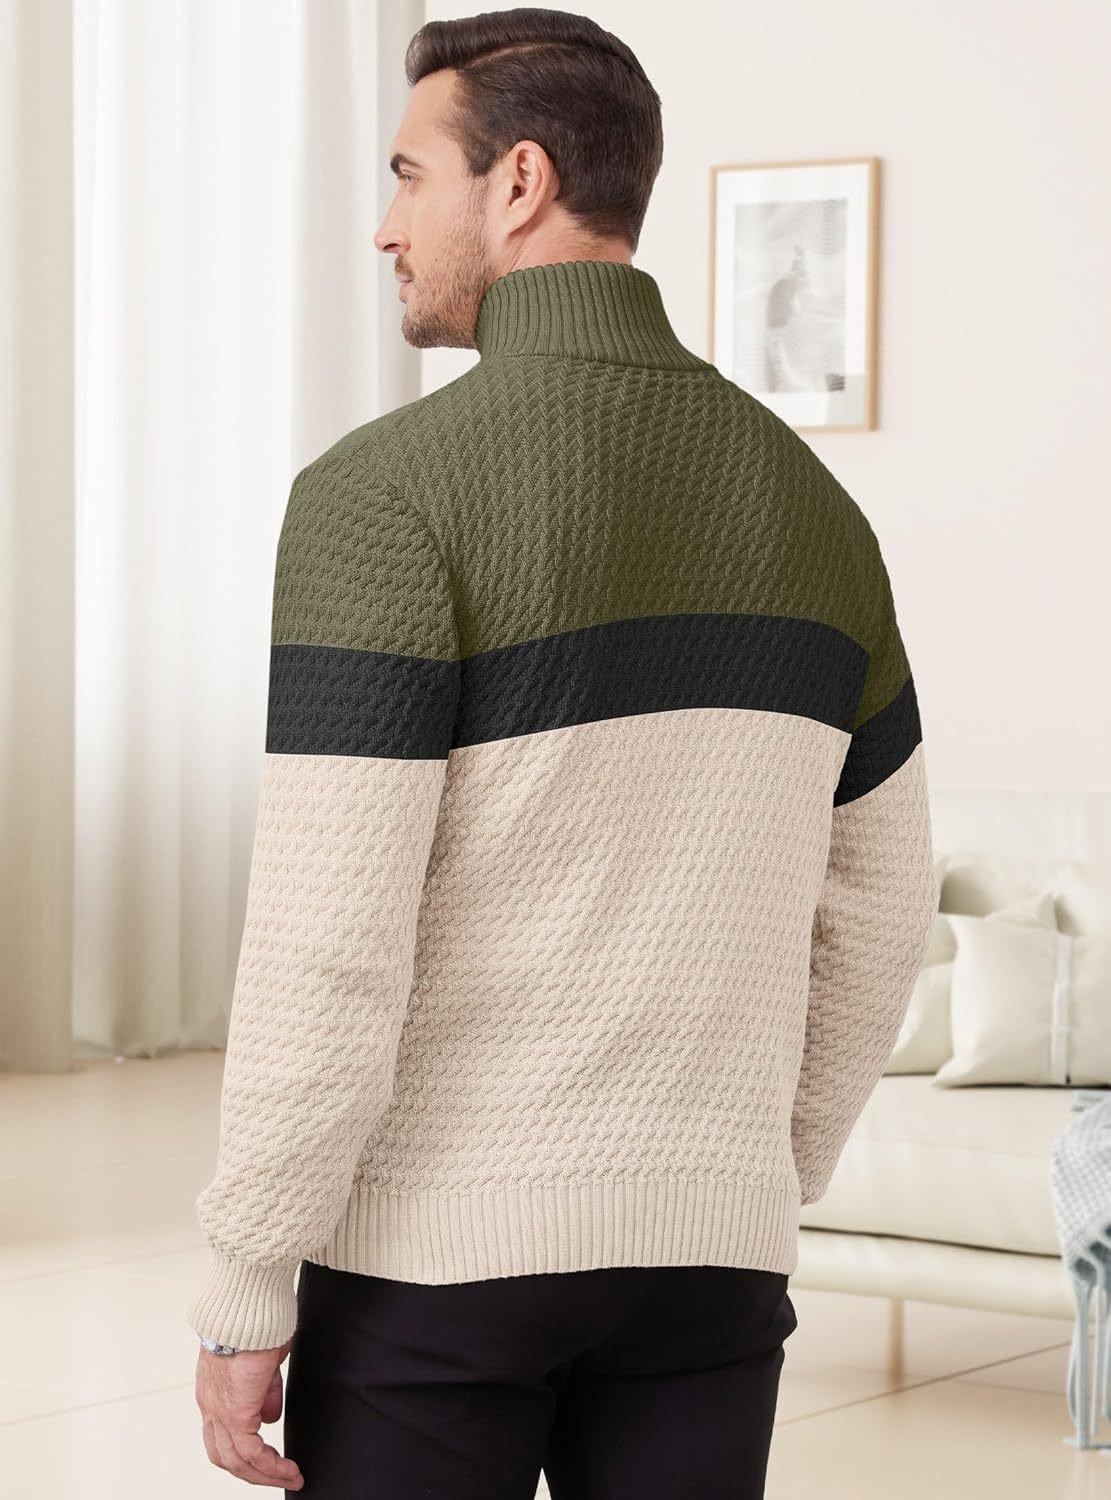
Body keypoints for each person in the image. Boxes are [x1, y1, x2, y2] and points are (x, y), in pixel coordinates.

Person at [189, 8, 938, 1497]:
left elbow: (330, 948)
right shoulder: (814, 507)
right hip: (713, 1263)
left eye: (411, 176)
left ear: (519, 182)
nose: (387, 228)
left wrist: (247, 1277)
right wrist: (751, 1178)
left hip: (437, 1271)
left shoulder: (381, 498)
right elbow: (883, 907)